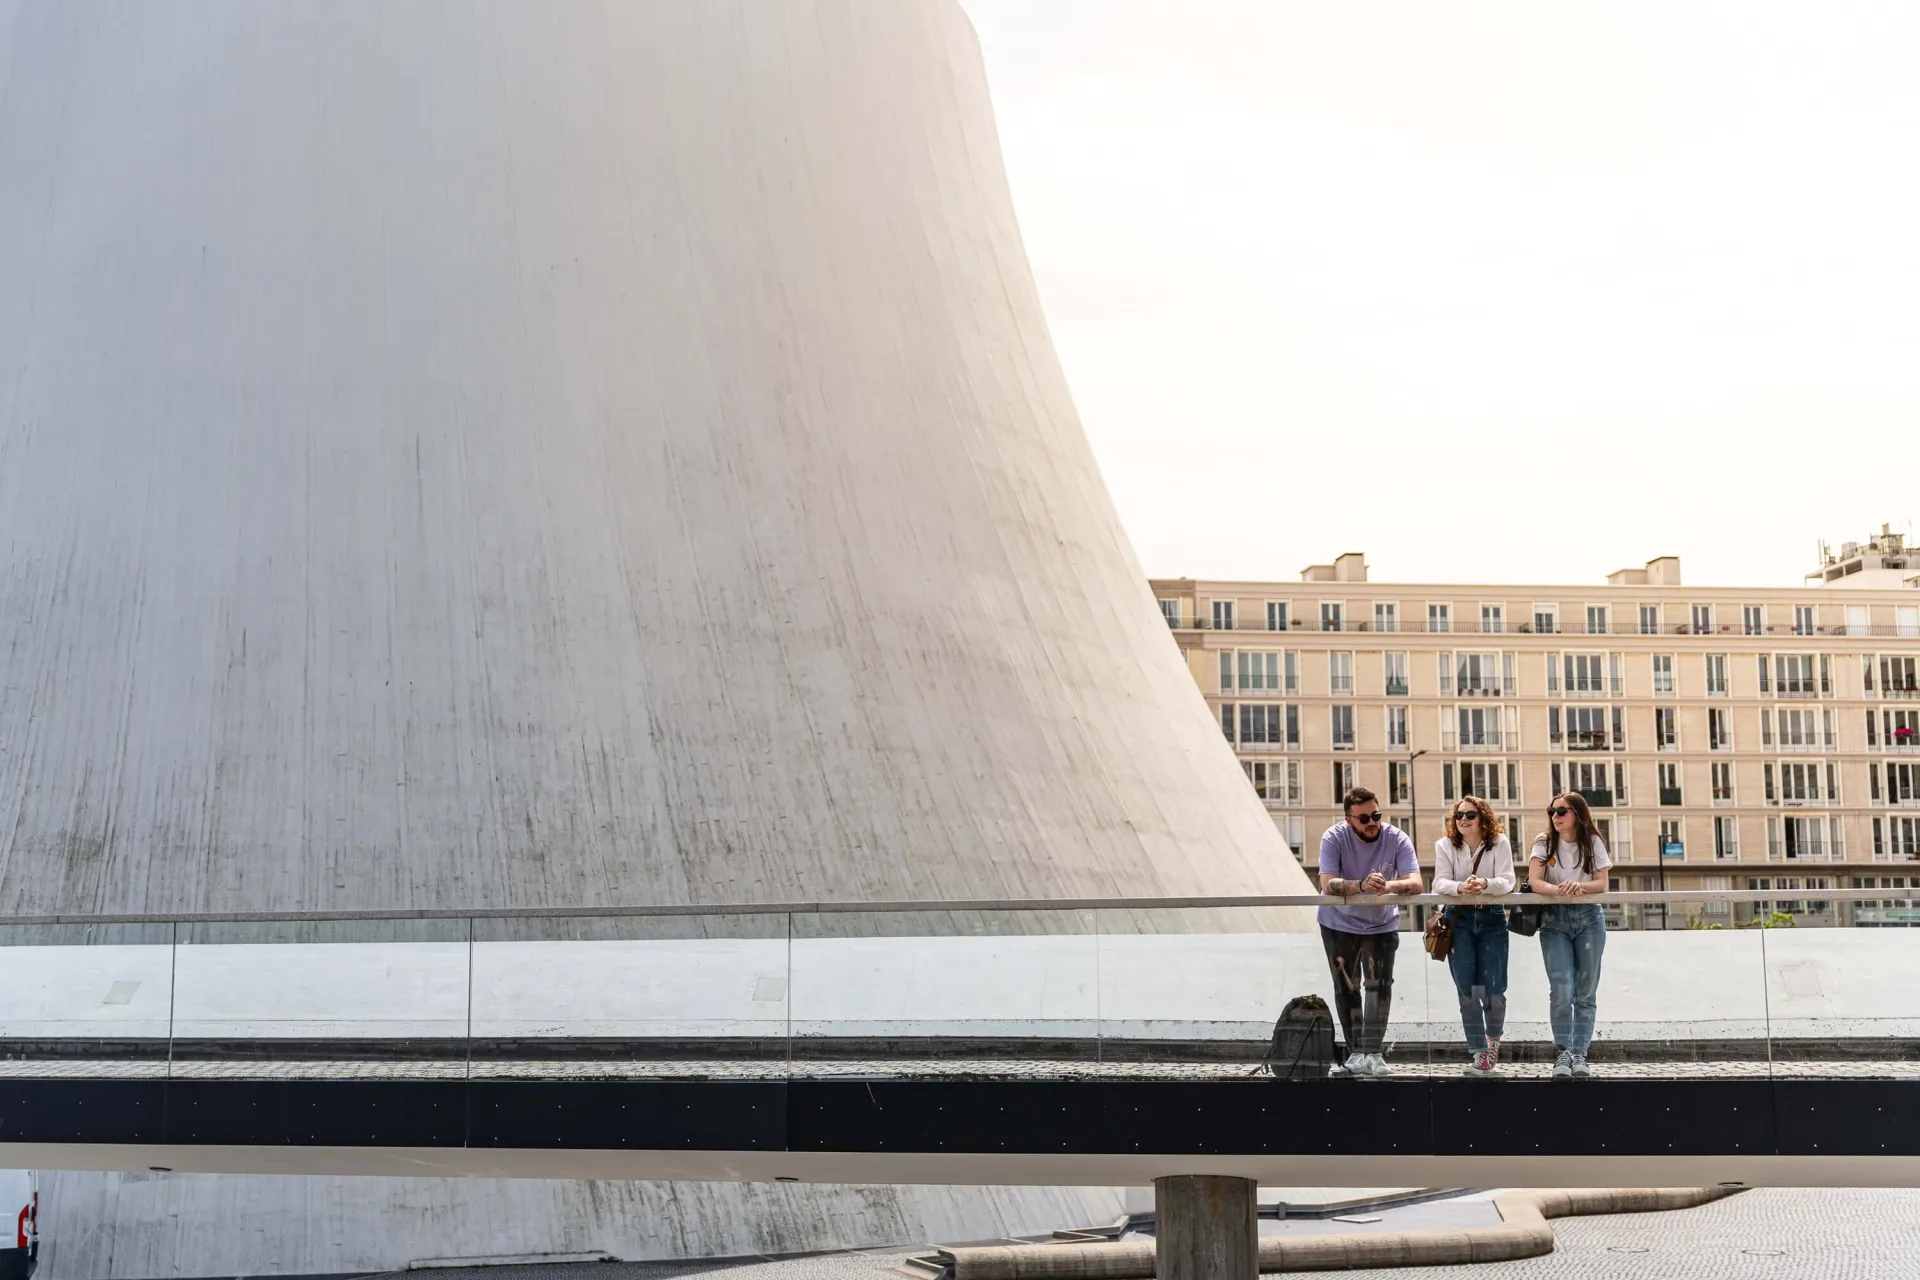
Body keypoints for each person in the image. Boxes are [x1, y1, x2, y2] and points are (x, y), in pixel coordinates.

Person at [1317, 787, 1423, 1077]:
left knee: (1379, 987)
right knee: (1347, 989)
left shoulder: (1396, 837)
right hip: (1338, 924)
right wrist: (1362, 885)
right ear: (1349, 819)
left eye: (1376, 815)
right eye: (1364, 818)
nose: (1372, 822)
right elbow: (1328, 884)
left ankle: (1373, 1054)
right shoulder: (1333, 837)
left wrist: (1387, 886)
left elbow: (1416, 883)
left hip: (1381, 925)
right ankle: (1355, 1054)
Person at [1528, 792, 1613, 1080]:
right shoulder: (1544, 842)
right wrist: (1561, 890)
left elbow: (1602, 883)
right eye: (1551, 810)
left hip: (1589, 918)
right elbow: (1536, 882)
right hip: (1554, 919)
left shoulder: (1593, 842)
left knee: (1585, 993)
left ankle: (1580, 1055)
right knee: (1562, 990)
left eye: (1562, 810)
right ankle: (1563, 1052)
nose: (1555, 815)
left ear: (1577, 812)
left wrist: (1579, 888)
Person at [1433, 795, 1515, 1077]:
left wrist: (1484, 883)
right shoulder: (1445, 845)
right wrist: (1460, 887)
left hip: (1491, 916)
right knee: (1467, 989)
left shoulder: (1499, 843)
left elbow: (1508, 880)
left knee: (1494, 989)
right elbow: (1439, 882)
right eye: (1458, 816)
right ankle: (1479, 1051)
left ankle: (1493, 1041)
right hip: (1459, 918)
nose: (1463, 820)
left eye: (1469, 815)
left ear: (1482, 817)